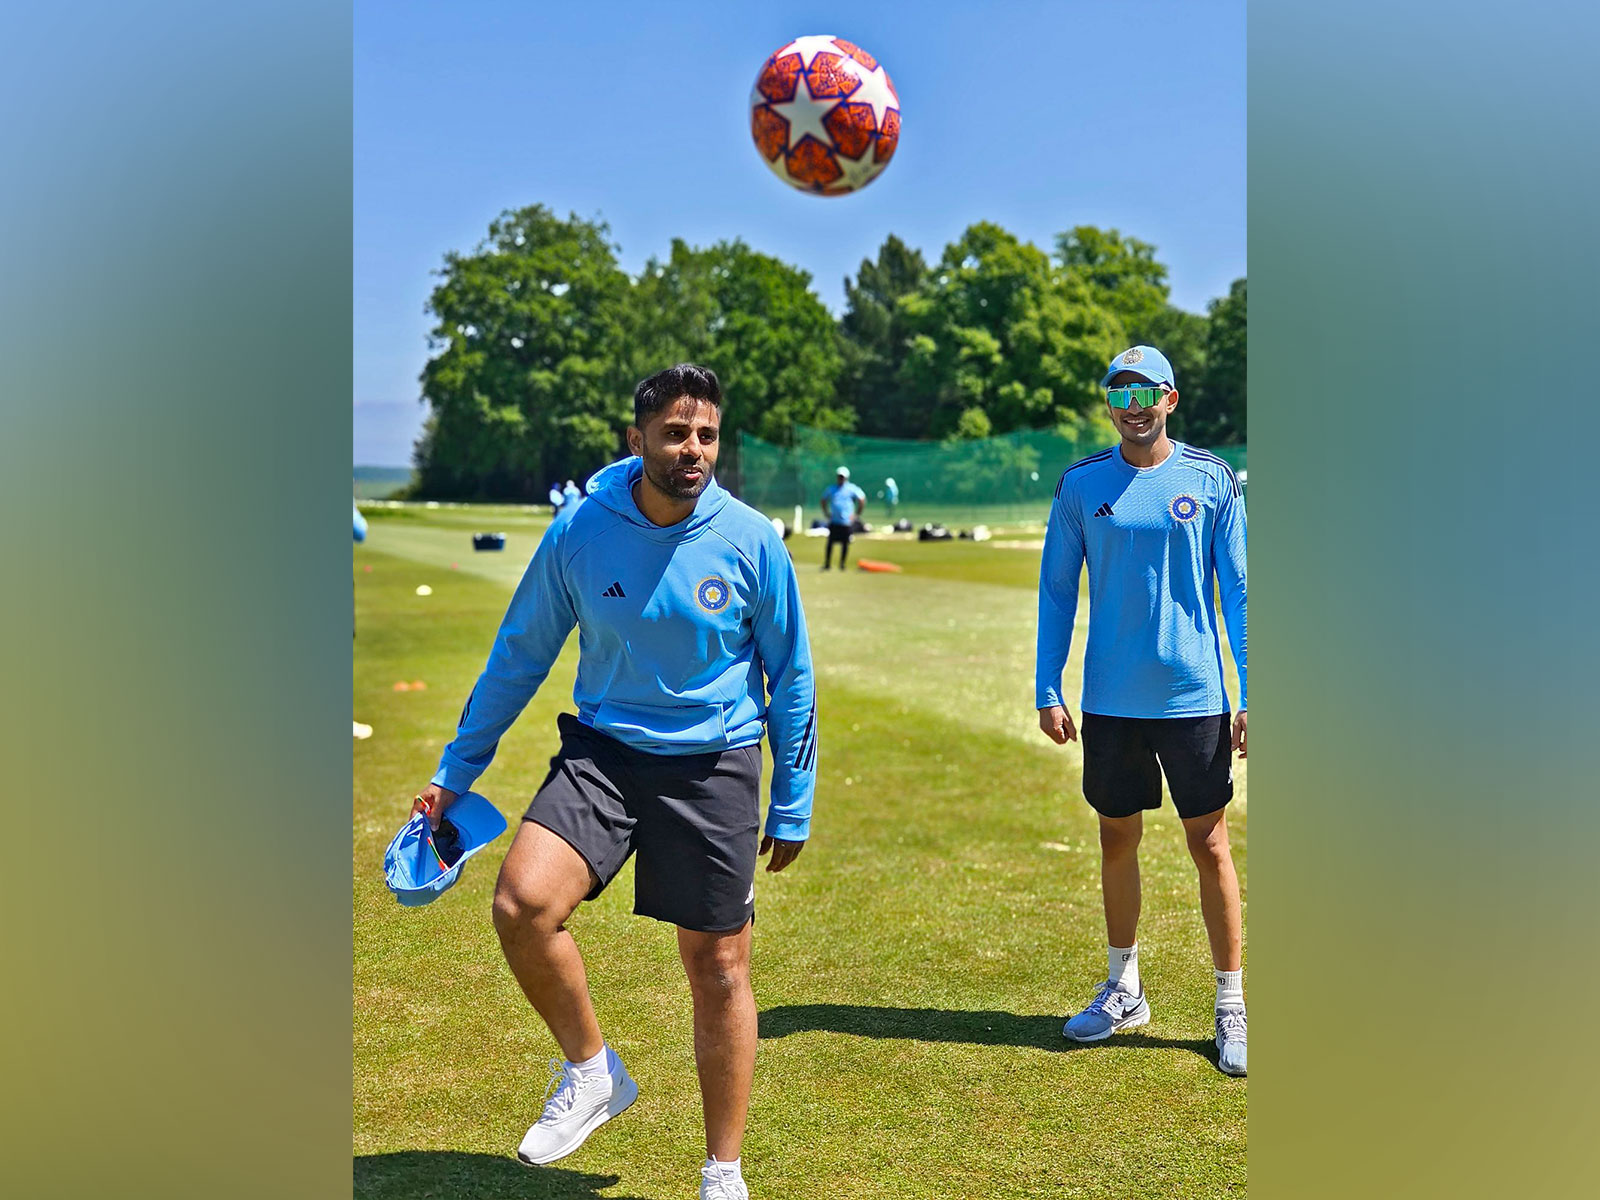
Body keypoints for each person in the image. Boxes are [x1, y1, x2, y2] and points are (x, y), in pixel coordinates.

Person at [411, 363, 816, 1200]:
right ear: (637, 441)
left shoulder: (750, 541)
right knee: (521, 904)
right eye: (675, 433)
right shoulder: (582, 529)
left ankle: (723, 1173)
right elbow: (520, 654)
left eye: (705, 434)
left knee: (719, 968)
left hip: (715, 764)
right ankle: (593, 1070)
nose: (693, 449)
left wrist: (794, 798)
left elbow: (793, 675)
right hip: (604, 752)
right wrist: (455, 774)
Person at [1034, 344, 1248, 1077]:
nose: (1132, 406)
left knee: (1210, 846)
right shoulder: (1081, 485)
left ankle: (1231, 1002)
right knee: (1116, 840)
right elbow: (1057, 591)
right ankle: (1124, 988)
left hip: (1195, 699)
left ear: (1170, 399)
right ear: (1108, 402)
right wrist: (1045, 684)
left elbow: (1241, 593)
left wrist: (1252, 695)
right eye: (1118, 392)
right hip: (1112, 705)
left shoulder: (1211, 479)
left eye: (1145, 392)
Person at [819, 466, 865, 570]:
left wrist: (857, 514)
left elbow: (862, 499)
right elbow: (823, 500)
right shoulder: (832, 488)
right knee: (830, 543)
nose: (841, 479)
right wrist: (826, 513)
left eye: (842, 477)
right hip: (834, 521)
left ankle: (842, 564)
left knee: (845, 544)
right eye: (839, 476)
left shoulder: (852, 488)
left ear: (846, 478)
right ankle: (827, 564)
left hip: (846, 522)